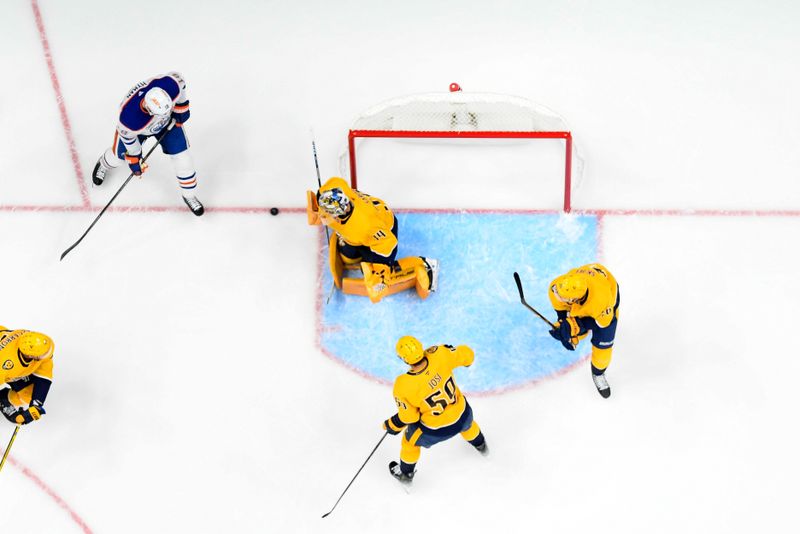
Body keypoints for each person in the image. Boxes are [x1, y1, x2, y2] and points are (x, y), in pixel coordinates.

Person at [306, 177, 438, 303]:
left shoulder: (366, 224)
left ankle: (422, 265)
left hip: (383, 237)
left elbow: (388, 243)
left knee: (378, 277)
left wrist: (379, 271)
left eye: (327, 216)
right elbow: (326, 193)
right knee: (349, 260)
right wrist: (318, 204)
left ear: (336, 216)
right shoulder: (335, 187)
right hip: (358, 236)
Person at [91, 71, 204, 216]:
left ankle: (189, 195)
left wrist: (181, 108)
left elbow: (181, 82)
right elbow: (130, 142)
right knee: (118, 157)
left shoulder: (170, 84)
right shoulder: (129, 119)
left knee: (184, 159)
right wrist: (134, 159)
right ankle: (103, 164)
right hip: (136, 133)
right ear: (149, 109)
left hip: (167, 122)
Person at [383, 336, 487, 483]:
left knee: (409, 443)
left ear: (404, 359)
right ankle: (481, 446)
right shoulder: (439, 354)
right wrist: (464, 359)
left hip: (436, 431)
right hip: (463, 414)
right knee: (467, 425)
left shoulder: (402, 385)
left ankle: (406, 475)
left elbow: (410, 417)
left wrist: (392, 423)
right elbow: (467, 356)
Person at [548, 263, 619, 398]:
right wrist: (564, 324)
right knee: (574, 323)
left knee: (603, 351)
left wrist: (573, 327)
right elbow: (561, 309)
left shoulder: (602, 302)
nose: (557, 295)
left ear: (575, 299)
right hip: (592, 282)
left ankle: (598, 373)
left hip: (607, 299)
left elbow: (601, 324)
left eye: (563, 298)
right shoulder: (558, 286)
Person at [0, 328, 54, 426]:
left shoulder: (29, 339)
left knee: (28, 396)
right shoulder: (4, 363)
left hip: (11, 369)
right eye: (43, 354)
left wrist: (36, 405)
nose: (48, 355)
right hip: (4, 367)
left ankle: (5, 397)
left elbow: (44, 378)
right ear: (29, 355)